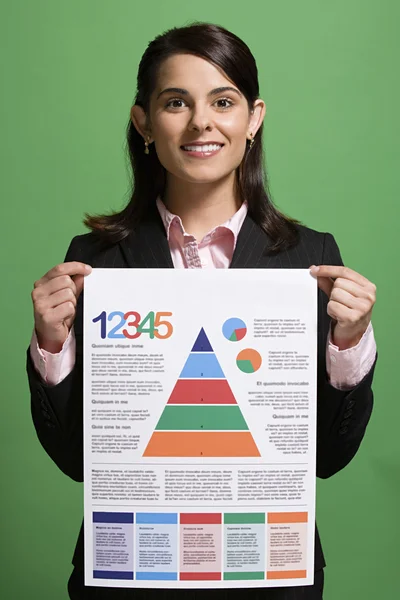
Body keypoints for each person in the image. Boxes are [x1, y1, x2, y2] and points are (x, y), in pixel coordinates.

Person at [26, 21, 378, 600]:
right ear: (144, 123)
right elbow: (77, 462)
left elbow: (328, 459)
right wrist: (52, 345)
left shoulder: (312, 258)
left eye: (223, 101)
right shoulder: (92, 263)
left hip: (269, 577)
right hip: (129, 577)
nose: (201, 123)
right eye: (175, 103)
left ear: (253, 118)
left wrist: (349, 345)